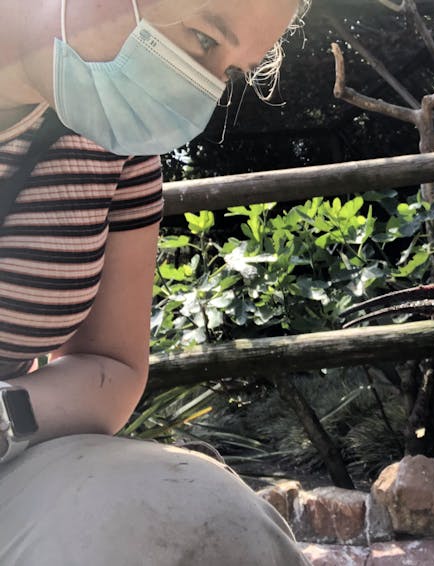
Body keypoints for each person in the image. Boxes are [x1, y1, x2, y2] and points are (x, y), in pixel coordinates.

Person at [0, 0, 311, 564]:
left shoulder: (115, 142)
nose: (200, 93)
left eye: (231, 72)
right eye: (203, 38)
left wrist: (4, 417)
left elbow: (114, 366)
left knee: (216, 524)